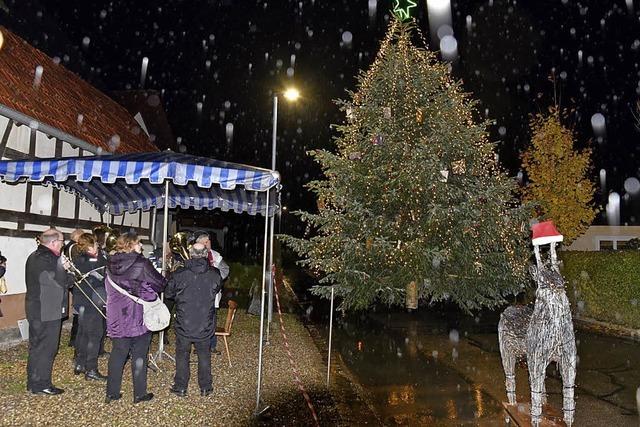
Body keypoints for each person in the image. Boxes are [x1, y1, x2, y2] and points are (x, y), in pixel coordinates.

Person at [104, 232, 166, 404]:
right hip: (137, 314)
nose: (141, 246)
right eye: (139, 243)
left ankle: (112, 393)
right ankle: (139, 394)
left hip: (116, 315)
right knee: (139, 354)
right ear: (131, 245)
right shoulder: (141, 263)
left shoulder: (110, 262)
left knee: (118, 353)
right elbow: (160, 283)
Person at [165, 243, 223, 397]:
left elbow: (169, 294)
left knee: (182, 355)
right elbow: (216, 288)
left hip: (185, 322)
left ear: (190, 254)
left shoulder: (179, 274)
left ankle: (181, 387)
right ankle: (205, 387)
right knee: (204, 354)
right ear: (205, 254)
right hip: (205, 322)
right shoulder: (215, 274)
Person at [25, 228, 72, 395]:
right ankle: (42, 384)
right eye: (61, 242)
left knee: (37, 346)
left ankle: (33, 382)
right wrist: (65, 268)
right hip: (47, 311)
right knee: (47, 348)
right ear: (53, 243)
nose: (63, 245)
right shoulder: (48, 259)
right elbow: (61, 282)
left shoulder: (34, 256)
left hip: (38, 308)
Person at [71, 233, 107, 381]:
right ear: (91, 247)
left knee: (83, 333)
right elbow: (105, 274)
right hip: (92, 302)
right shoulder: (95, 260)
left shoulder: (77, 259)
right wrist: (100, 255)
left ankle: (80, 363)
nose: (98, 246)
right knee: (95, 335)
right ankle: (91, 369)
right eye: (97, 245)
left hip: (80, 302)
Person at [194, 232, 229, 352]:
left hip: (212, 294)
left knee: (211, 320)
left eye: (208, 241)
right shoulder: (193, 255)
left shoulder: (215, 255)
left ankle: (211, 345)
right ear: (200, 243)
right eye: (206, 241)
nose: (209, 242)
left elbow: (225, 269)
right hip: (197, 293)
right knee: (198, 320)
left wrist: (217, 279)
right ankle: (199, 345)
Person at [64, 228, 85, 348]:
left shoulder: (69, 246)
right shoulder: (74, 247)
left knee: (78, 311)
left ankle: (74, 338)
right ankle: (75, 338)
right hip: (78, 282)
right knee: (79, 312)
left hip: (75, 281)